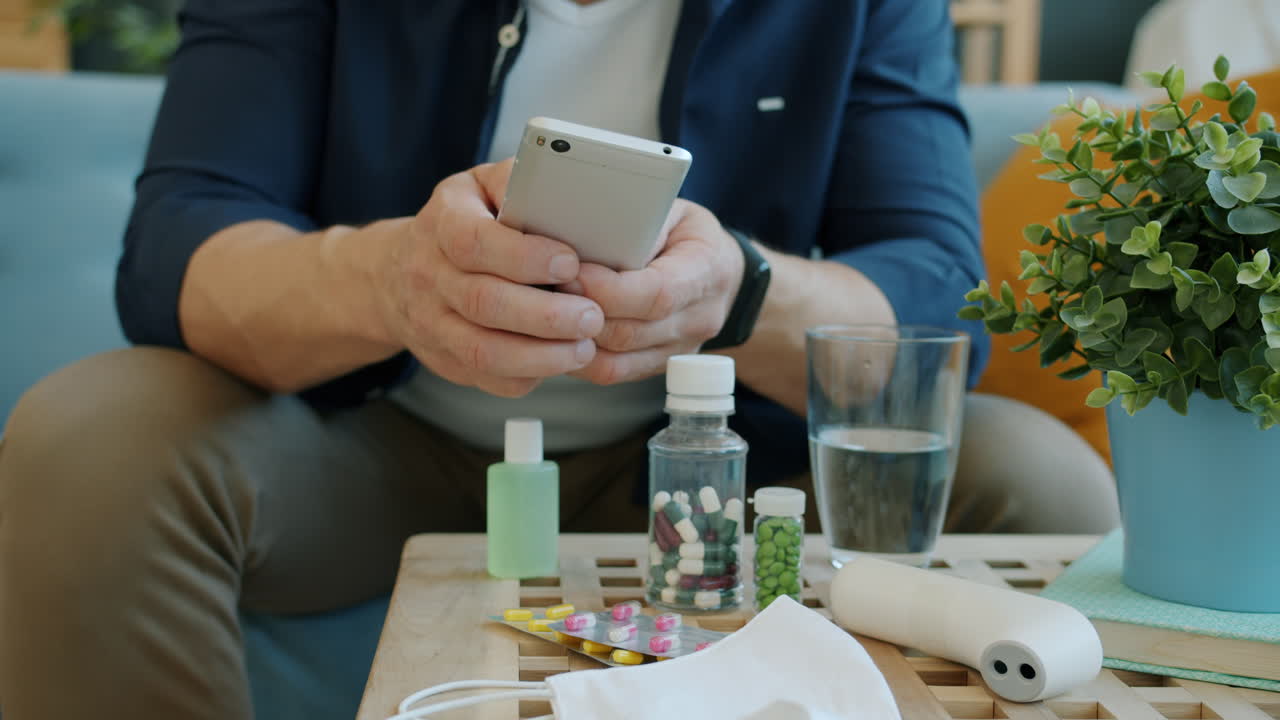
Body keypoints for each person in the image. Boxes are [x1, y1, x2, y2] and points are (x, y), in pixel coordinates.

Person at [0, 1, 1114, 717]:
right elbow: (177, 249)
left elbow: (934, 298)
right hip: (370, 446)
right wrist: (397, 280)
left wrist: (738, 288)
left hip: (736, 466)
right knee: (92, 442)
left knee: (1034, 474)